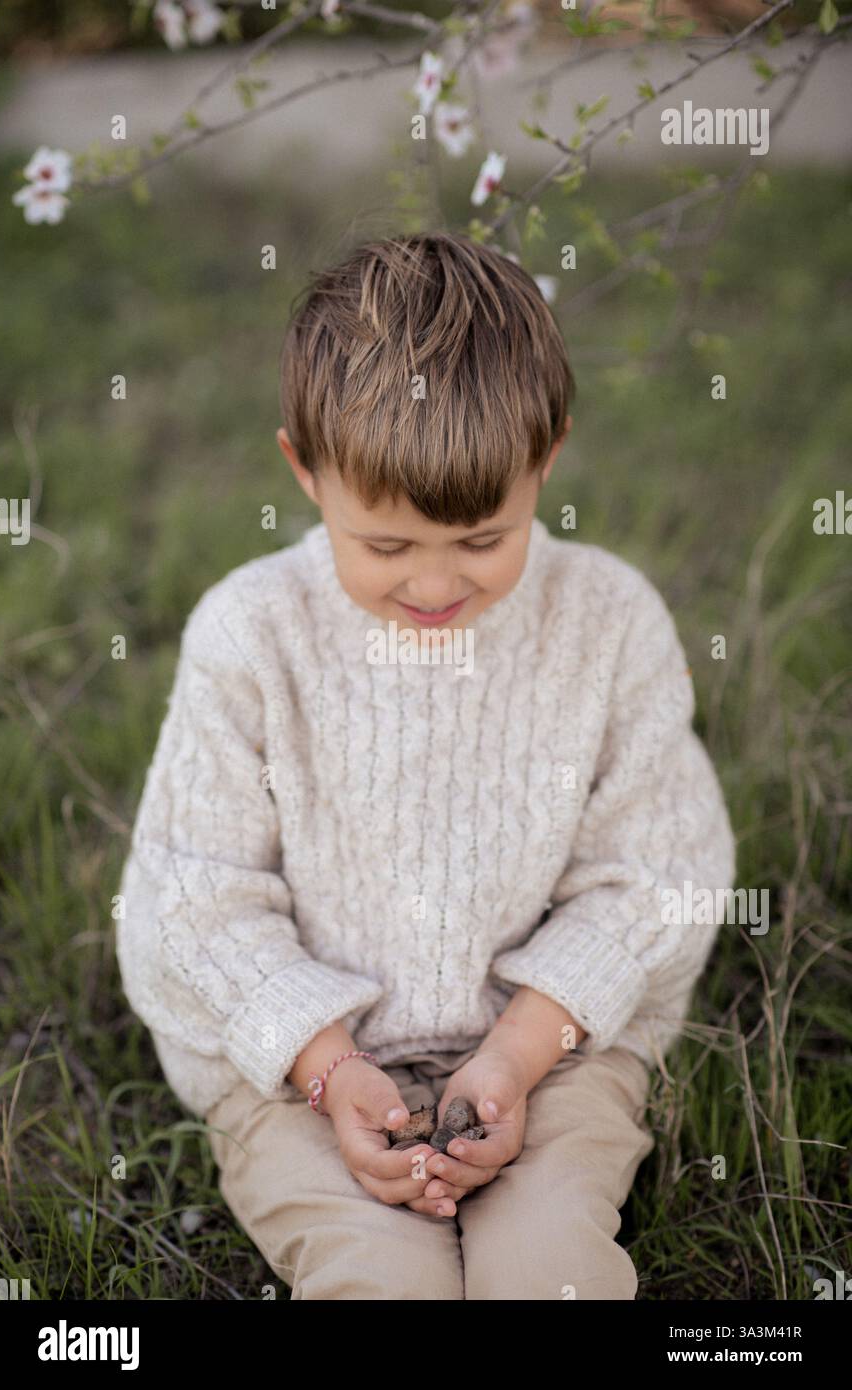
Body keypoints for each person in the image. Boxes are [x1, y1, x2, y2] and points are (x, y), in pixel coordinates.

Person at [116, 231, 737, 1300]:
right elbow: (190, 894)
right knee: (378, 1279)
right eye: (389, 547)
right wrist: (327, 1062)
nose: (437, 583)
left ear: (547, 459)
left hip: (556, 1049)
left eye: (485, 538)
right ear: (304, 472)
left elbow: (660, 869)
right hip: (300, 1066)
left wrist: (516, 1055)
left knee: (553, 1273)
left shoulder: (608, 620)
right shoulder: (252, 634)